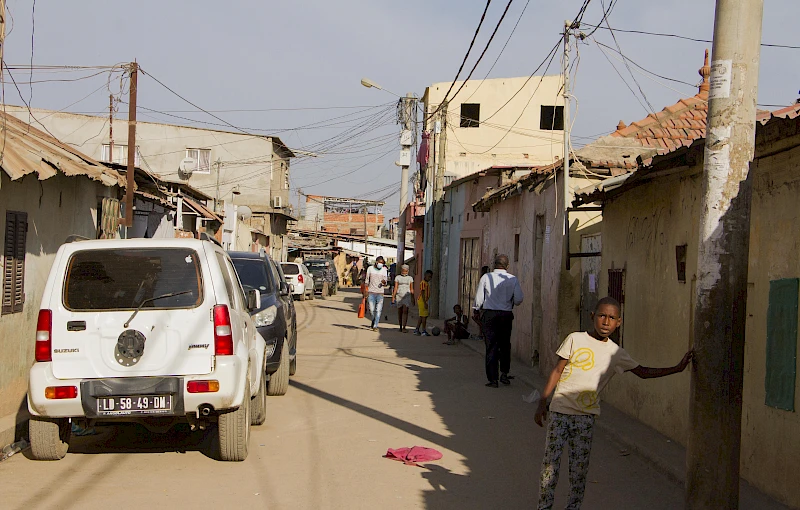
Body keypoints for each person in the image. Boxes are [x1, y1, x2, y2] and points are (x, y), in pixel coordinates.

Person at [534, 297, 693, 510]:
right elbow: (557, 370)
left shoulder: (616, 354)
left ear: (618, 322)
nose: (606, 322)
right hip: (560, 412)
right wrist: (543, 401)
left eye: (611, 318)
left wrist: (676, 368)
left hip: (585, 418)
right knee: (550, 468)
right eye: (602, 316)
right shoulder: (575, 339)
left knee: (578, 472)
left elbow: (643, 372)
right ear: (593, 317)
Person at [473, 255, 523, 388]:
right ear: (507, 266)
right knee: (505, 345)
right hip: (505, 315)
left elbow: (479, 298)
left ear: (494, 264)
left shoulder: (486, 277)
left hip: (490, 315)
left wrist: (476, 310)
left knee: (491, 346)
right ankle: (504, 374)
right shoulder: (513, 279)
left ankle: (493, 379)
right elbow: (518, 299)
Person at [363, 256, 388, 331]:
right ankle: (373, 320)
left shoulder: (384, 270)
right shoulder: (370, 269)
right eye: (380, 262)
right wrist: (365, 290)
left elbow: (385, 282)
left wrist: (384, 282)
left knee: (378, 310)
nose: (381, 264)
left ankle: (375, 325)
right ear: (376, 262)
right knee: (371, 309)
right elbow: (367, 280)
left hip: (380, 293)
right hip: (371, 292)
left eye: (382, 263)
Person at [391, 265, 414, 333]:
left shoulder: (410, 278)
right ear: (401, 270)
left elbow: (411, 288)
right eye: (403, 271)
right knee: (399, 311)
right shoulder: (397, 277)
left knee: (405, 310)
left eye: (406, 271)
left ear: (408, 271)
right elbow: (395, 288)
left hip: (407, 296)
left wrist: (413, 298)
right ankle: (400, 326)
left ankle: (404, 326)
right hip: (399, 295)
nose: (404, 272)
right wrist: (393, 297)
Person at [471, 265, 491, 341]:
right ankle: (481, 334)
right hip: (484, 305)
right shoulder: (486, 280)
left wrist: (476, 308)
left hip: (483, 305)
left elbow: (480, 295)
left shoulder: (484, 280)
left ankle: (482, 334)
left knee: (481, 321)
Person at [413, 270, 433, 336]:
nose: (430, 278)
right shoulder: (423, 283)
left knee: (421, 316)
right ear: (425, 276)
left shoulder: (426, 283)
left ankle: (417, 329)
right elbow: (423, 293)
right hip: (422, 300)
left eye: (431, 277)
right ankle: (423, 330)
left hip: (423, 300)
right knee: (424, 316)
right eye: (429, 277)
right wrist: (424, 303)